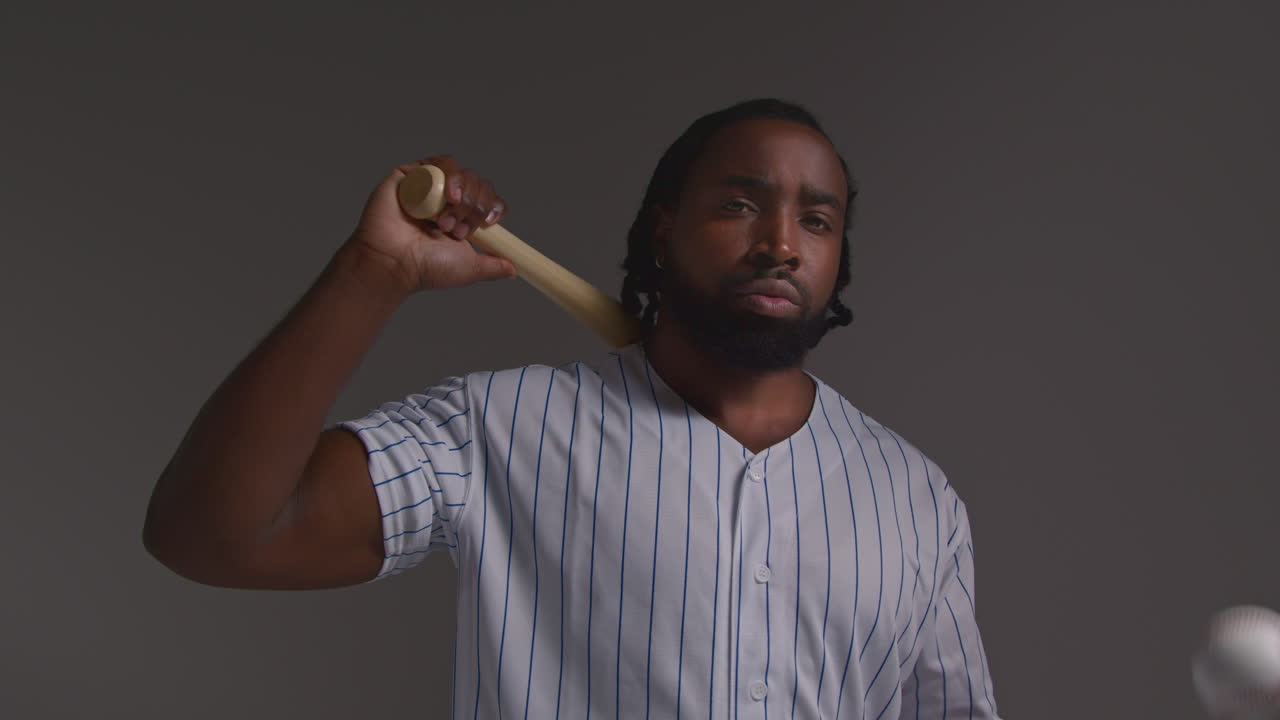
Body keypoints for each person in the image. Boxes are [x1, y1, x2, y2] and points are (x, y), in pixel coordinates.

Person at [144, 98, 1001, 718]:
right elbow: (212, 537)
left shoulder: (915, 498)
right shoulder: (499, 428)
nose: (780, 243)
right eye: (740, 205)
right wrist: (375, 273)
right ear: (662, 229)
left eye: (816, 220)